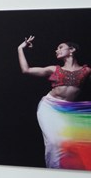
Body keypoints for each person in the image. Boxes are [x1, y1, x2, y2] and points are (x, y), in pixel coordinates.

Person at [17, 36, 91, 169]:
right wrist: (20, 48)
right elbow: (26, 70)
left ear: (72, 50)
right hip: (49, 107)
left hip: (68, 111)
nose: (57, 50)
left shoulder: (86, 71)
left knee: (71, 143)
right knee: (54, 142)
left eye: (60, 47)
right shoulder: (54, 69)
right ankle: (54, 172)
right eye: (57, 48)